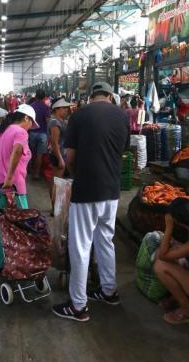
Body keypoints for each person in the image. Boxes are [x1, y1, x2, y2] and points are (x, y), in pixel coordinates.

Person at [52, 82, 130, 322]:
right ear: (109, 96)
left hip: (87, 189)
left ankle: (78, 305)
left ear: (92, 96)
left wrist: (76, 175)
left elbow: (70, 157)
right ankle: (109, 291)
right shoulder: (122, 116)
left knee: (80, 246)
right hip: (112, 190)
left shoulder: (80, 115)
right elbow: (123, 150)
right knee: (106, 240)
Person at [0, 104, 37, 276]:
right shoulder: (20, 132)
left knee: (2, 227)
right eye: (32, 123)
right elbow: (17, 151)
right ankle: (21, 266)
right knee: (22, 228)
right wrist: (9, 178)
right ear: (26, 118)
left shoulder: (0, 132)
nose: (31, 127)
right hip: (11, 189)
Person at [45, 98, 72, 208]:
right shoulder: (54, 122)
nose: (67, 110)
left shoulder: (61, 121)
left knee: (57, 181)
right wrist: (60, 159)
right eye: (65, 108)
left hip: (62, 154)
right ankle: (54, 207)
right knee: (56, 182)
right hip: (57, 154)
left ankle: (56, 206)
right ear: (57, 109)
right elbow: (55, 143)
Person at [28, 90, 51, 180]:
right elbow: (47, 121)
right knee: (39, 155)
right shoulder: (46, 107)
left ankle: (29, 169)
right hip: (43, 134)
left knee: (31, 153)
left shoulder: (31, 107)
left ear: (36, 96)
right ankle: (36, 174)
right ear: (44, 97)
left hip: (32, 132)